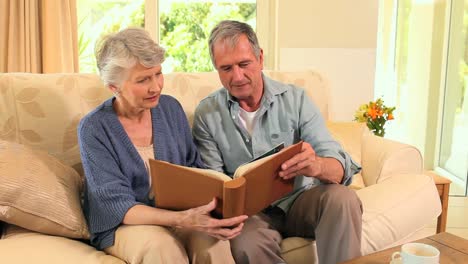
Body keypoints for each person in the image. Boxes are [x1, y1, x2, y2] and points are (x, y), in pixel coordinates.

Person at [192, 20, 363, 264]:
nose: (237, 76)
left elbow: (339, 168)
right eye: (226, 68)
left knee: (343, 199)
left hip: (301, 201)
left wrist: (317, 165)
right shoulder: (207, 113)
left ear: (260, 58)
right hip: (251, 215)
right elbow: (214, 182)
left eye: (244, 64)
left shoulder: (297, 99)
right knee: (245, 242)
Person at [78, 27, 247, 264]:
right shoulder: (94, 129)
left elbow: (193, 170)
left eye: (158, 74)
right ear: (114, 87)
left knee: (213, 241)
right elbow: (117, 206)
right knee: (162, 247)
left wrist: (212, 210)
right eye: (143, 80)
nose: (156, 86)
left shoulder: (170, 109)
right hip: (125, 224)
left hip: (179, 214)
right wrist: (181, 219)